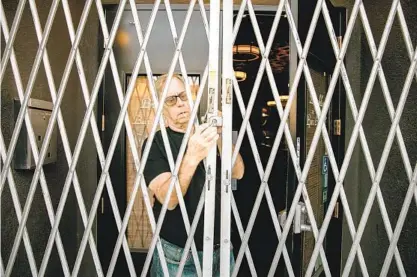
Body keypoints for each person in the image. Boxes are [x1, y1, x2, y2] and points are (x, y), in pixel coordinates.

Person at [142, 73, 245, 277]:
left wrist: (220, 135)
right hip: (179, 254)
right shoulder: (155, 144)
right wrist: (192, 155)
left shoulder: (207, 133)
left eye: (183, 95)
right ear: (161, 107)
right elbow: (169, 200)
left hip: (221, 248)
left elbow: (238, 172)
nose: (181, 104)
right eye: (171, 100)